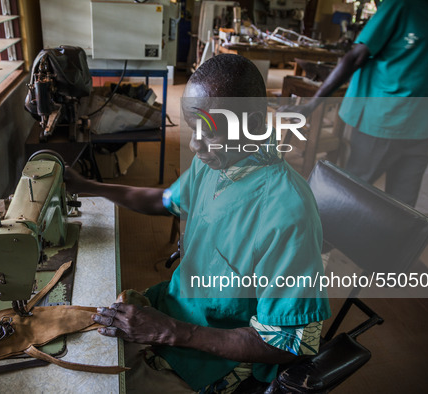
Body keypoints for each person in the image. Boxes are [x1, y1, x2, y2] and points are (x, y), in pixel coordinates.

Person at [65, 54, 330, 393]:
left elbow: (288, 345)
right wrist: (91, 187)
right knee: (77, 347)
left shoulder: (287, 213)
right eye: (193, 129)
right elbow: (163, 201)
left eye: (208, 132)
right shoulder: (219, 162)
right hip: (173, 312)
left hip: (214, 360)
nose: (194, 145)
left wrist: (170, 331)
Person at [300, 0, 428, 207]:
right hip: (379, 120)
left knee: (403, 206)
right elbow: (355, 57)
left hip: (419, 126)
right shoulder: (400, 4)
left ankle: (385, 239)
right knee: (351, 194)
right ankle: (324, 236)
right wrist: (312, 104)